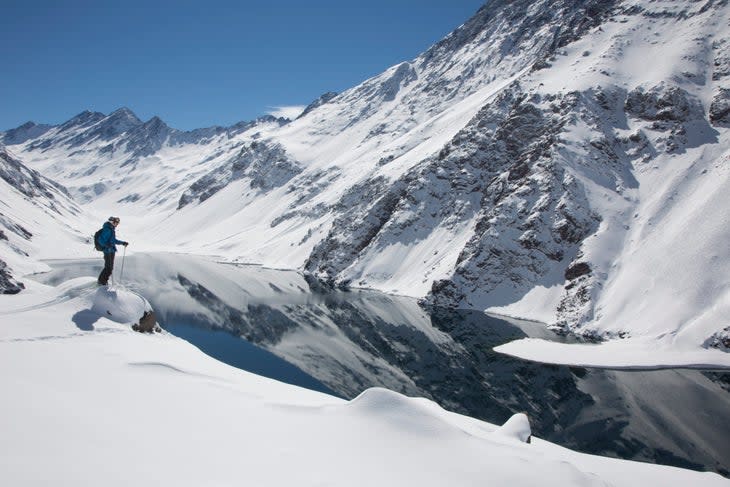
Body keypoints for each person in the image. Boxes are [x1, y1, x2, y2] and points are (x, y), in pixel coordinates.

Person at [97, 216, 129, 286]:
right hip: (108, 251)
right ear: (112, 222)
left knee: (109, 268)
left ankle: (102, 281)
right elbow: (100, 240)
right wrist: (106, 245)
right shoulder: (107, 229)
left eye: (118, 223)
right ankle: (102, 282)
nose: (117, 224)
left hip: (111, 251)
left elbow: (113, 240)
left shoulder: (111, 229)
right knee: (109, 268)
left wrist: (123, 243)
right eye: (116, 222)